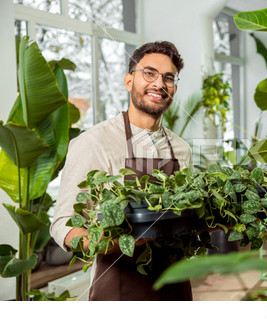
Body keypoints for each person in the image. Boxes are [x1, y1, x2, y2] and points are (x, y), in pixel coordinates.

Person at [50, 41, 193, 301]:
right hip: (119, 289)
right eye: (149, 73)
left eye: (169, 78)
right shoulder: (94, 142)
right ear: (129, 81)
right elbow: (63, 225)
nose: (159, 84)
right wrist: (117, 242)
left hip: (176, 287)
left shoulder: (181, 149)